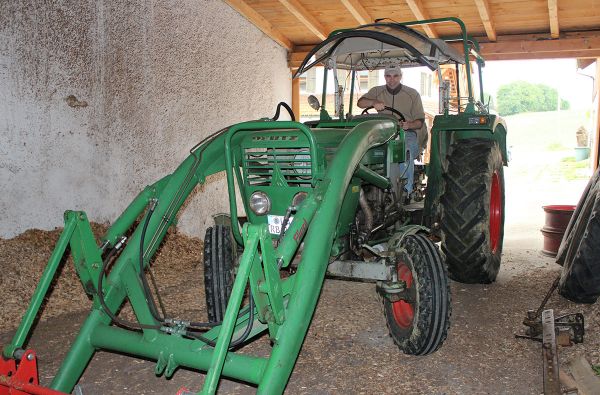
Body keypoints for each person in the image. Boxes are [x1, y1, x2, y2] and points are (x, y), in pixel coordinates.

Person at [357, 65, 427, 200]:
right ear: (385, 77)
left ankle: (405, 192)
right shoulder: (377, 91)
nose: (392, 80)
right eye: (388, 76)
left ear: (401, 77)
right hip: (383, 134)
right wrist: (374, 102)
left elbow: (420, 122)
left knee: (403, 150)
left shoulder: (412, 94)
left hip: (407, 133)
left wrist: (409, 125)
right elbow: (360, 103)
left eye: (395, 76)